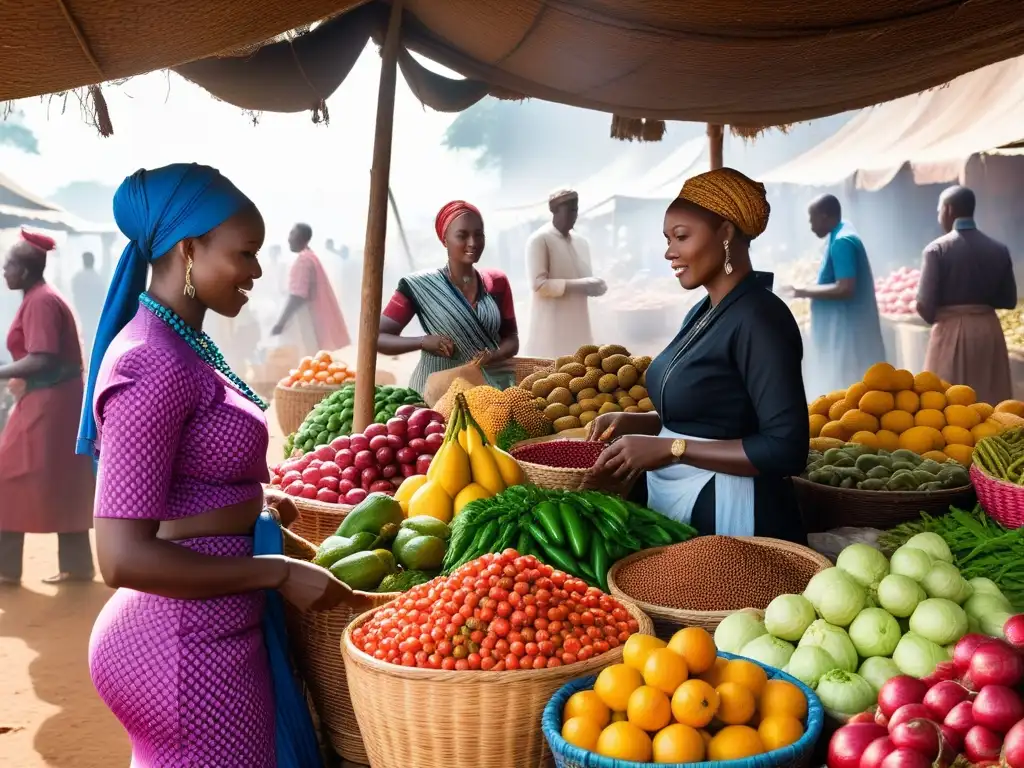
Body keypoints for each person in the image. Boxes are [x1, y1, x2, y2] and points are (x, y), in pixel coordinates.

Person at [77, 164, 369, 766]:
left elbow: (186, 490)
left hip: (208, 631)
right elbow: (121, 556)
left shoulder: (184, 345)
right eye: (246, 254)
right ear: (189, 248)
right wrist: (276, 573)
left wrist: (253, 509)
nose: (259, 273)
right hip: (183, 647)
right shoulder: (150, 366)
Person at [585, 168, 808, 542]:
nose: (669, 252)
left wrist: (672, 449)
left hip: (732, 512)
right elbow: (714, 413)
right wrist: (640, 422)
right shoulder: (705, 311)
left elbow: (785, 448)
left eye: (681, 236)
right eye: (668, 239)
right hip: (681, 495)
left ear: (725, 233)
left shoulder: (760, 318)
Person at [0, 230, 95, 585]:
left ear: (24, 271)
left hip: (52, 401)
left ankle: (6, 571)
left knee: (7, 476)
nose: (4, 272)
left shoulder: (41, 301)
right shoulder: (40, 297)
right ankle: (76, 565)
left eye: (8, 265)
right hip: (54, 398)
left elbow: (42, 357)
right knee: (62, 480)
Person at [378, 201, 519, 394]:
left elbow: (511, 339)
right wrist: (423, 341)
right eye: (462, 235)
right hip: (436, 397)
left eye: (479, 235)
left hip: (490, 395)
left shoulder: (497, 282)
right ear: (444, 240)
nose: (473, 243)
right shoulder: (419, 286)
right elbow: (378, 338)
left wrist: (493, 355)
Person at [917, 186, 1016, 403]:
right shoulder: (999, 249)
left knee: (946, 402)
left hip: (950, 329)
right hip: (989, 330)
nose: (939, 217)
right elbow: (1009, 300)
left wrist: (944, 319)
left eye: (939, 211)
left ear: (948, 209)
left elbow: (924, 304)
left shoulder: (936, 250)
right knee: (990, 399)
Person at [784, 194, 885, 398]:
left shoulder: (842, 242)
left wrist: (800, 291)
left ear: (825, 216)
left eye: (812, 220)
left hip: (847, 333)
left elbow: (845, 288)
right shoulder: (840, 231)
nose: (811, 226)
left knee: (849, 392)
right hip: (843, 330)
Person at [524, 189, 607, 358]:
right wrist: (582, 285)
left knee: (579, 374)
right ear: (554, 211)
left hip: (579, 324)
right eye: (568, 210)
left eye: (575, 210)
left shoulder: (581, 242)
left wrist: (597, 286)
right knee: (550, 374)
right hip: (551, 327)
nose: (573, 215)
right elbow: (539, 285)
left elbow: (587, 279)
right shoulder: (539, 240)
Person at [270, 222, 350, 354]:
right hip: (314, 320)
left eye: (292, 234)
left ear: (303, 238)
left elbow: (297, 296)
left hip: (307, 322)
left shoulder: (304, 260)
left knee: (307, 360)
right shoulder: (311, 257)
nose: (289, 238)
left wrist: (280, 323)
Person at [71, 250, 105, 359]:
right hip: (92, 312)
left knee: (84, 335)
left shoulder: (78, 277)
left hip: (84, 311)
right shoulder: (98, 278)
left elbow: (75, 293)